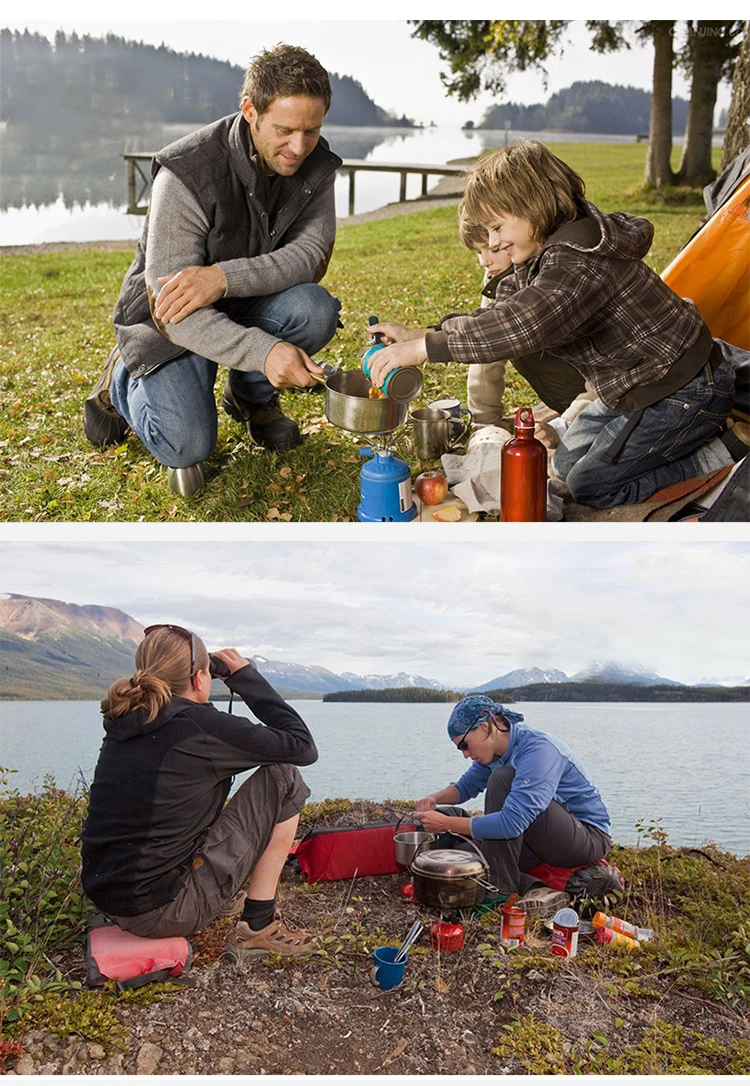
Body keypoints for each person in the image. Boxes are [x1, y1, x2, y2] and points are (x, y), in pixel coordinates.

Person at [366, 141, 737, 509]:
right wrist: (424, 334)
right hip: (631, 388)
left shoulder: (576, 259)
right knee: (562, 463)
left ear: (531, 206)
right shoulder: (541, 256)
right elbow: (499, 312)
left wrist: (423, 350)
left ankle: (723, 452)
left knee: (590, 485)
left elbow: (522, 324)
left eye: (496, 228)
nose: (493, 242)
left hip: (682, 391)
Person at [84, 44, 342, 491]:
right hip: (167, 324)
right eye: (285, 129)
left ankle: (251, 399)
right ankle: (120, 382)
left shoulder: (315, 165)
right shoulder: (186, 174)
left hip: (240, 301)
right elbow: (171, 309)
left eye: (312, 130)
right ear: (250, 111)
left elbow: (311, 256)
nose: (299, 147)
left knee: (315, 309)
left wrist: (224, 279)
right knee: (188, 445)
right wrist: (265, 352)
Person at [80, 624, 319, 962]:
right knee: (284, 777)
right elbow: (302, 747)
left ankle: (212, 893)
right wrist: (246, 678)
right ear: (198, 679)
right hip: (161, 912)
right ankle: (257, 926)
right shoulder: (200, 726)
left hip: (109, 895)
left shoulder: (129, 717)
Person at [415, 696, 612, 913]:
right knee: (468, 853)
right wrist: (433, 798)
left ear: (483, 727)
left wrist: (447, 823)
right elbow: (466, 787)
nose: (465, 754)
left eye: (464, 744)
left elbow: (510, 824)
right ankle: (536, 889)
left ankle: (499, 892)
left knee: (502, 779)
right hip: (541, 837)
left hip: (587, 838)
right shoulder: (495, 752)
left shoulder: (538, 750)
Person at [458, 210, 596, 435]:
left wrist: (568, 422)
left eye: (493, 249)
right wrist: (484, 420)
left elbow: (605, 371)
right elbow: (485, 351)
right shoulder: (498, 277)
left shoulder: (557, 275)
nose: (484, 261)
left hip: (609, 394)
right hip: (566, 396)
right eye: (478, 252)